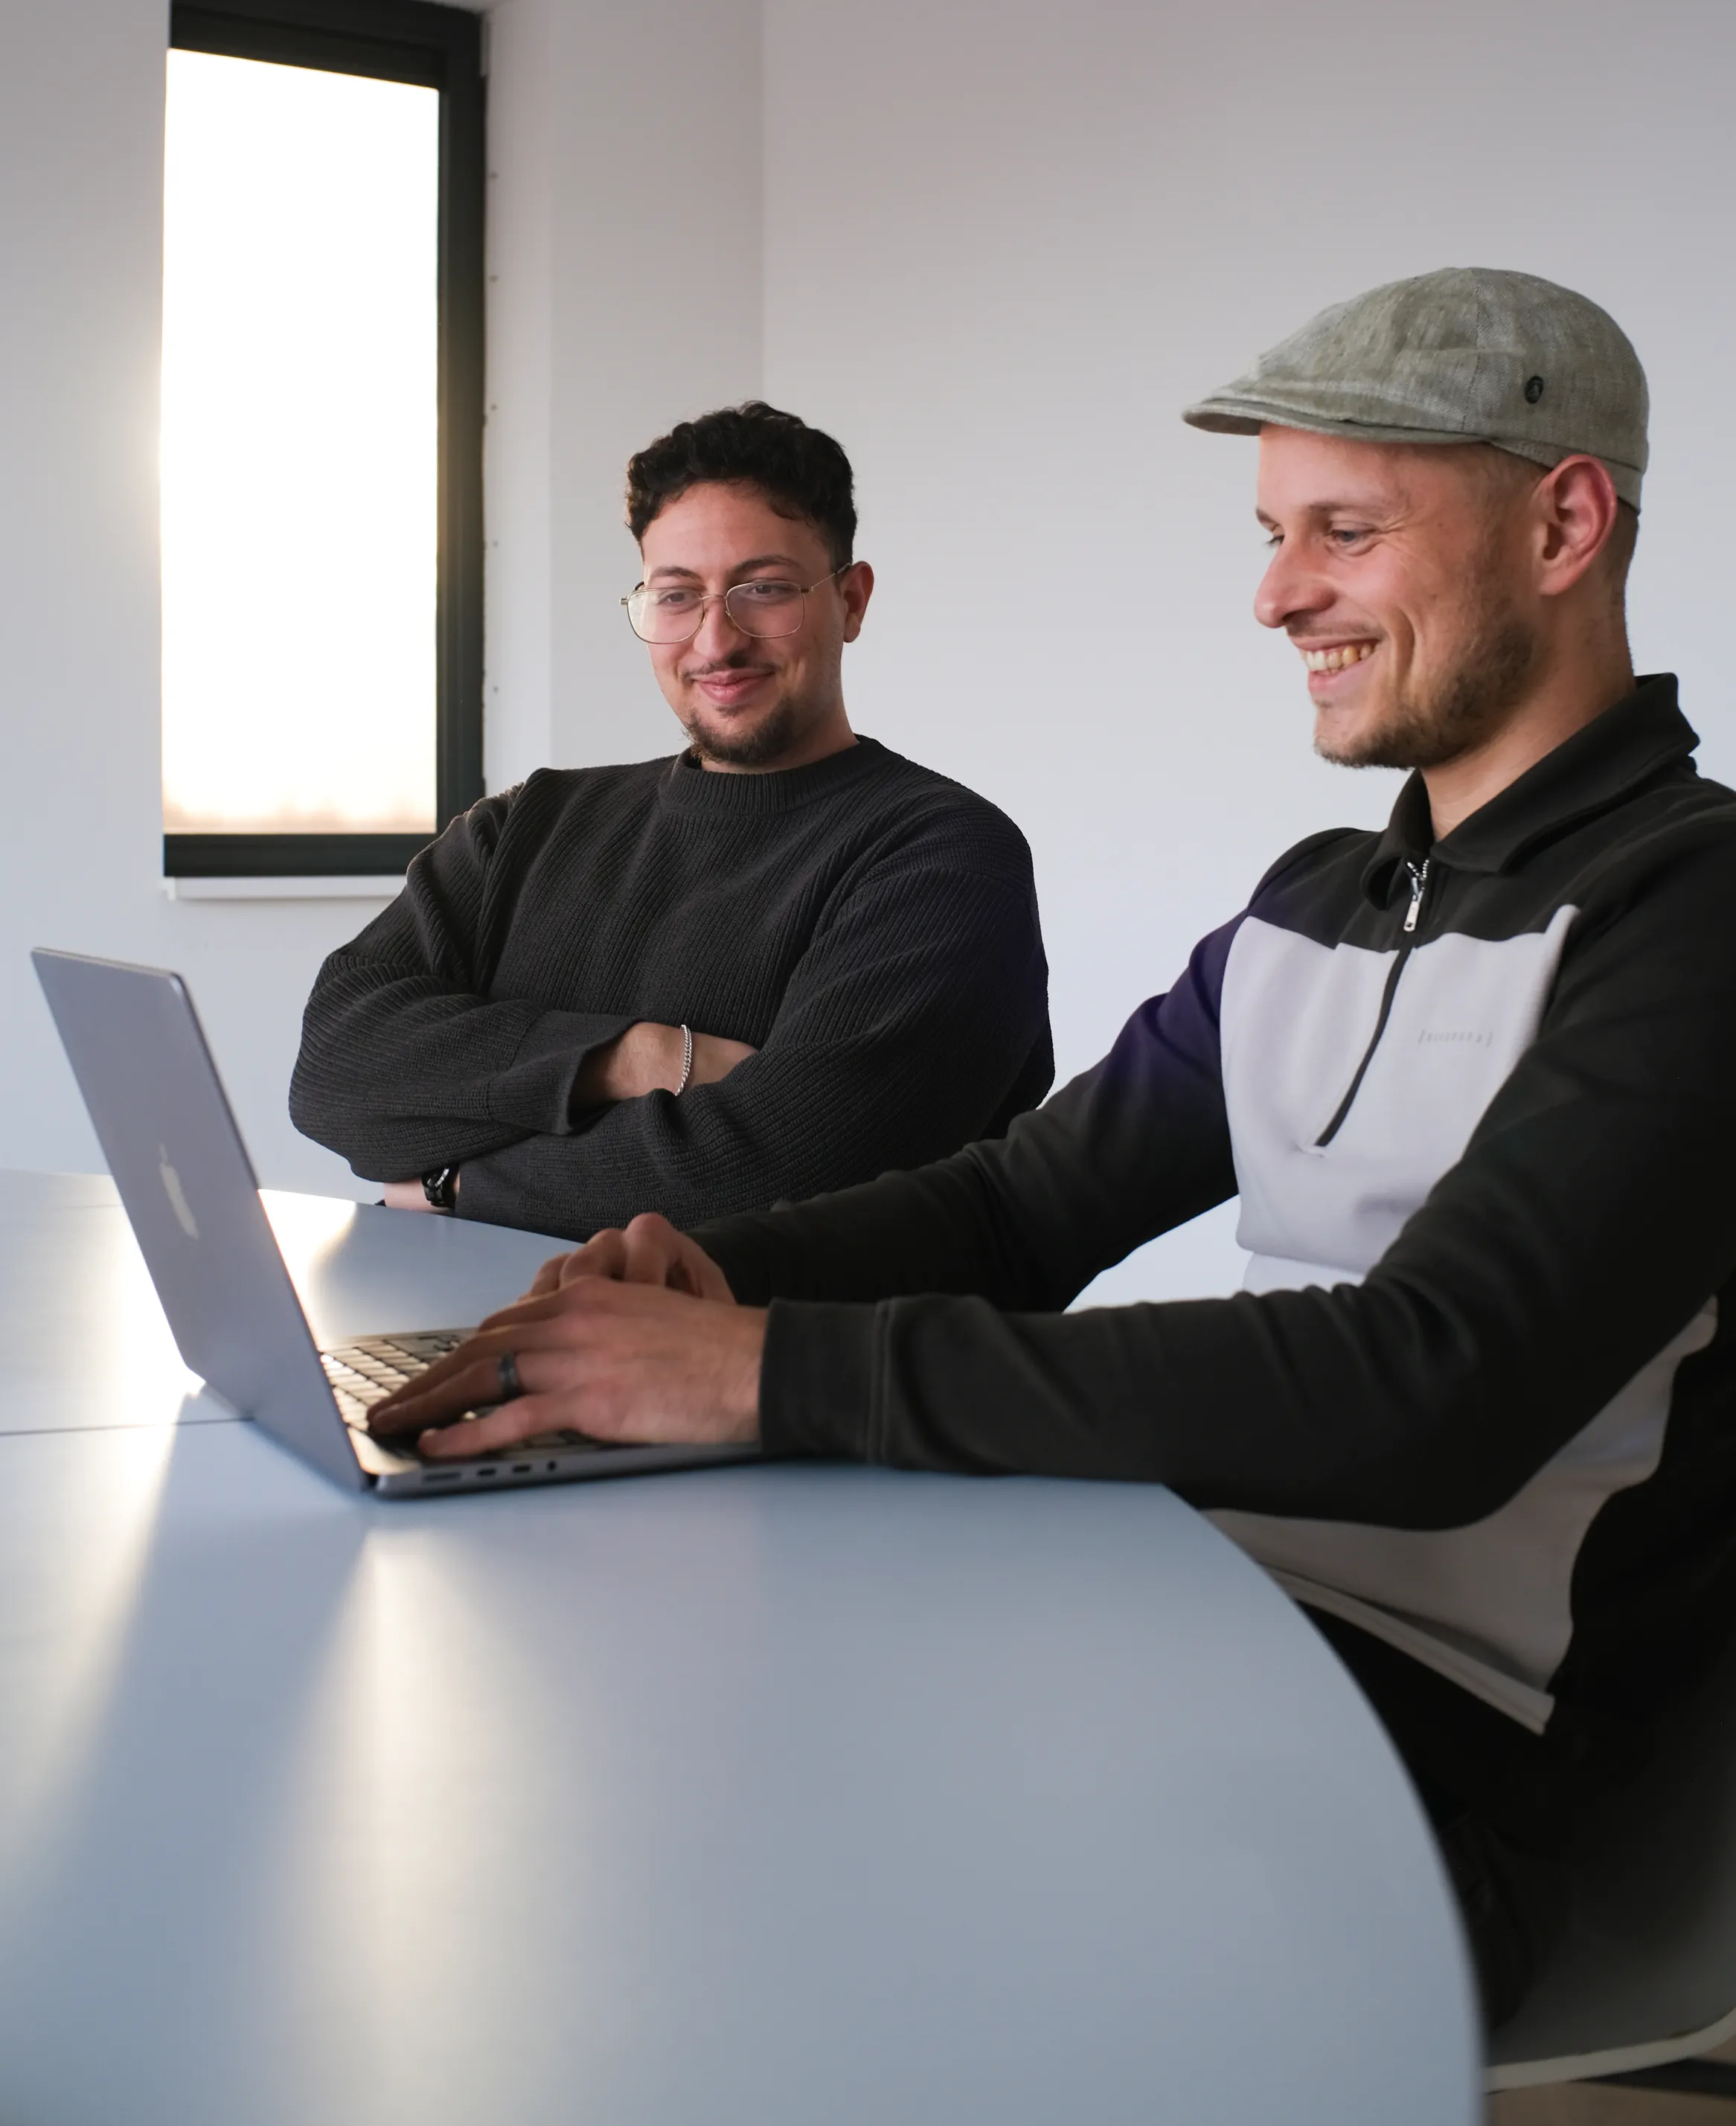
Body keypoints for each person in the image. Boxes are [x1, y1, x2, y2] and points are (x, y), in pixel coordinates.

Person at [367, 272, 1736, 2025]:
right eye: (1270, 533)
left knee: (765, 1879)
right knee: (629, 1717)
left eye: (1343, 531)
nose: (1275, 594)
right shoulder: (1322, 905)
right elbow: (1027, 1201)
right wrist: (710, 1275)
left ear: (1563, 520)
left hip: (1475, 1760)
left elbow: (1432, 1387)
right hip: (1219, 1615)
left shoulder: (1687, 909)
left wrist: (762, 1370)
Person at [290, 400, 1051, 1235]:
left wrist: (449, 1185)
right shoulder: (525, 826)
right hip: (454, 1329)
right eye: (676, 595)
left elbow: (786, 1168)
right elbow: (335, 1070)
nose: (715, 641)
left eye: (763, 590)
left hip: (763, 1360)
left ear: (852, 600)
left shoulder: (943, 857)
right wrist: (635, 1056)